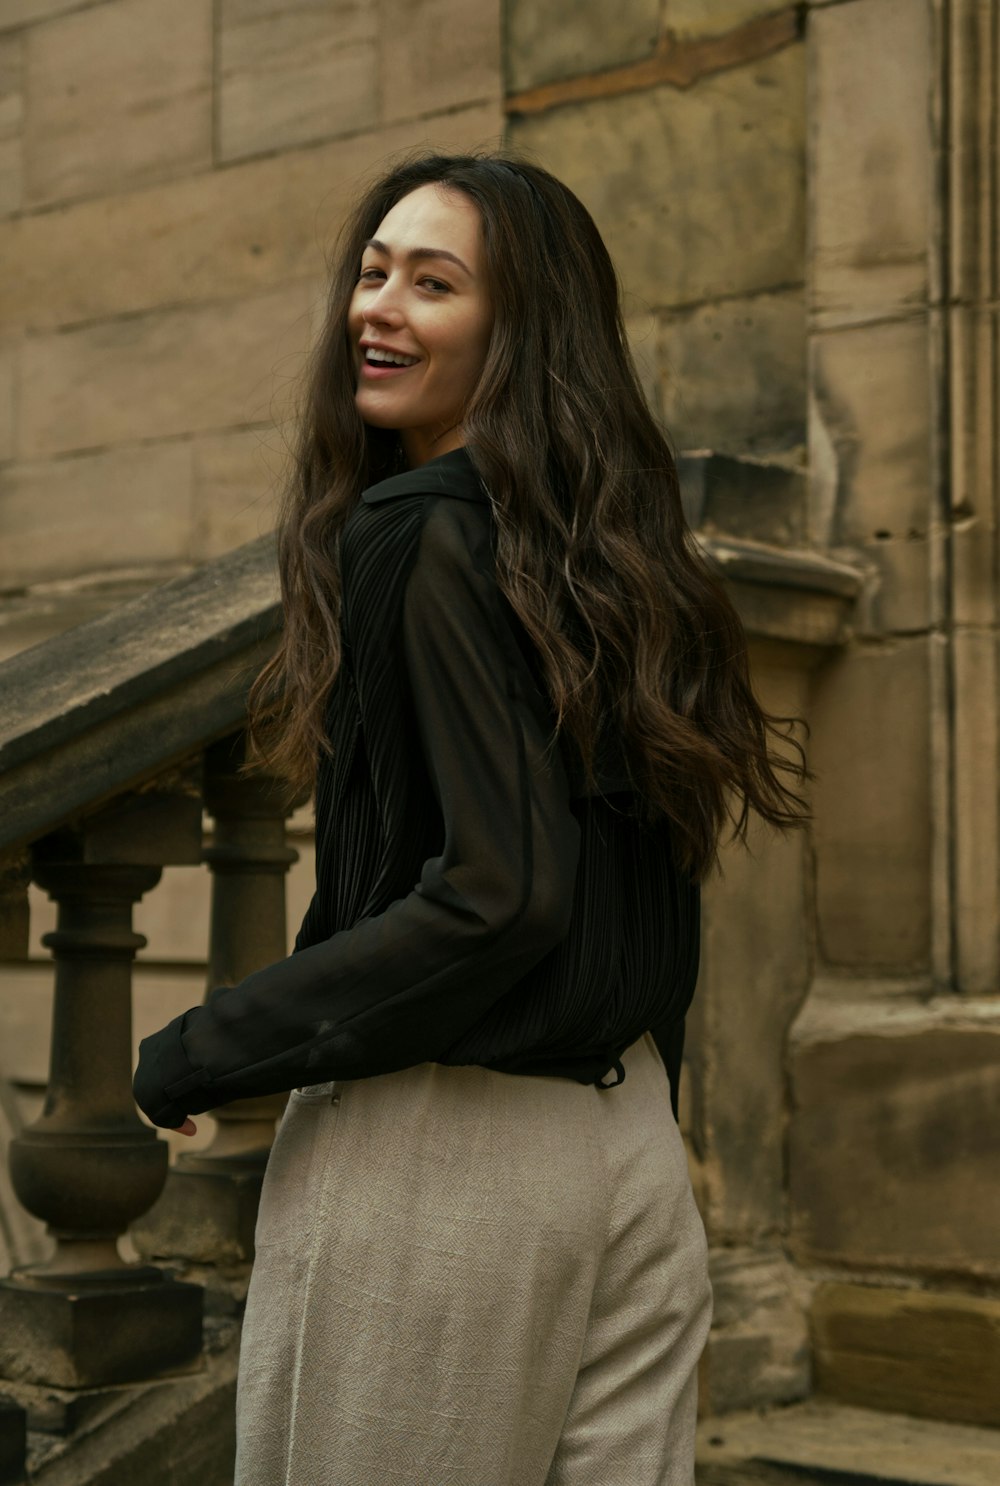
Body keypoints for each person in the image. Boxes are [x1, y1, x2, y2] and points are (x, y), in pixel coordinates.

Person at [133, 151, 807, 1486]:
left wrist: (202, 1049)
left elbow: (498, 891)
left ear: (520, 330)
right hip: (625, 1153)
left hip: (439, 1167)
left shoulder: (417, 532)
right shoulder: (619, 562)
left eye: (431, 283)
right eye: (373, 272)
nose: (375, 307)